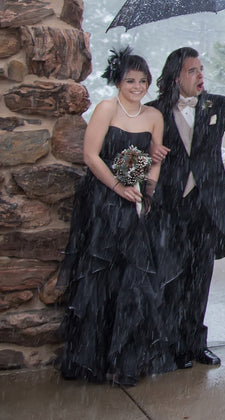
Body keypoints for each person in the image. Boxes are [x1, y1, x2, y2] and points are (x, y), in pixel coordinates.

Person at [57, 47, 169, 385]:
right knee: (100, 279)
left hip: (135, 205)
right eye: (130, 80)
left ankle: (125, 359)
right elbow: (91, 156)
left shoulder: (153, 116)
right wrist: (118, 187)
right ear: (118, 81)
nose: (137, 86)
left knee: (133, 281)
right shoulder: (106, 108)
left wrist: (147, 191)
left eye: (143, 80)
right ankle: (92, 358)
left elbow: (156, 161)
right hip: (103, 203)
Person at [150, 47, 225, 368]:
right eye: (192, 71)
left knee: (200, 278)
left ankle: (196, 344)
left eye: (201, 69)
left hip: (206, 207)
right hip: (169, 207)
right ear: (175, 77)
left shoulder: (218, 105)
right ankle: (168, 345)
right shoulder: (154, 111)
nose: (201, 76)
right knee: (170, 278)